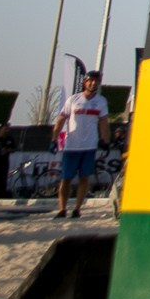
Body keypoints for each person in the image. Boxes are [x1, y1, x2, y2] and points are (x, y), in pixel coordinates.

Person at [52, 69, 112, 219]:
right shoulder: (73, 99)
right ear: (85, 82)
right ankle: (62, 208)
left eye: (96, 81)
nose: (93, 83)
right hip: (72, 145)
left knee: (84, 178)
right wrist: (54, 139)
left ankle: (77, 208)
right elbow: (61, 119)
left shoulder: (101, 101)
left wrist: (105, 140)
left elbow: (104, 122)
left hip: (89, 145)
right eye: (90, 80)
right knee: (66, 178)